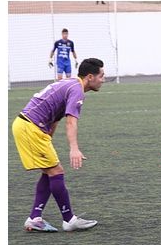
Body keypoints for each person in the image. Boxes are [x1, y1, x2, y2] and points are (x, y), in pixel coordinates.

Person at [12, 58, 105, 232]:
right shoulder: (77, 90)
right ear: (90, 77)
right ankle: (69, 220)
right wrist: (74, 149)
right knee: (56, 171)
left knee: (49, 172)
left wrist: (48, 138)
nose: (104, 79)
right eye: (101, 75)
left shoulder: (70, 83)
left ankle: (35, 218)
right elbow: (70, 122)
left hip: (30, 127)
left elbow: (55, 116)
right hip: (30, 127)